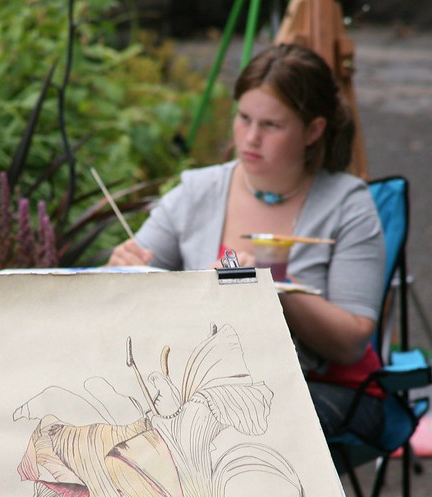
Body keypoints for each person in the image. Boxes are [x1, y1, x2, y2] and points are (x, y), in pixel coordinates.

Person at [108, 43, 387, 443]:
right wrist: (126, 268)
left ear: (313, 130)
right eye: (243, 119)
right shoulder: (197, 192)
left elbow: (350, 342)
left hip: (323, 385)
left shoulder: (347, 204)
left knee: (228, 433)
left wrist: (272, 288)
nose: (251, 138)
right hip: (201, 391)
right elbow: (138, 282)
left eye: (272, 126)